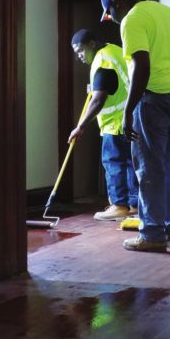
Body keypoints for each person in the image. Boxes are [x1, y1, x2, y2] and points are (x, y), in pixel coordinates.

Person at [100, 0, 170, 252]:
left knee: (149, 168)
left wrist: (128, 110)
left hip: (153, 98)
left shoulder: (132, 19)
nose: (112, 19)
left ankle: (152, 234)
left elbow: (141, 64)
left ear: (116, 4)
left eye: (109, 13)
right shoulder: (167, 12)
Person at [68, 29, 138, 221]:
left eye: (81, 50)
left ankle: (119, 205)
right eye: (76, 53)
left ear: (91, 44)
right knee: (131, 163)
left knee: (113, 163)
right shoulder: (114, 50)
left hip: (114, 124)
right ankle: (134, 205)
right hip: (131, 119)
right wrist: (96, 87)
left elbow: (98, 100)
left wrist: (80, 126)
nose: (80, 56)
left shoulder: (102, 62)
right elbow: (116, 82)